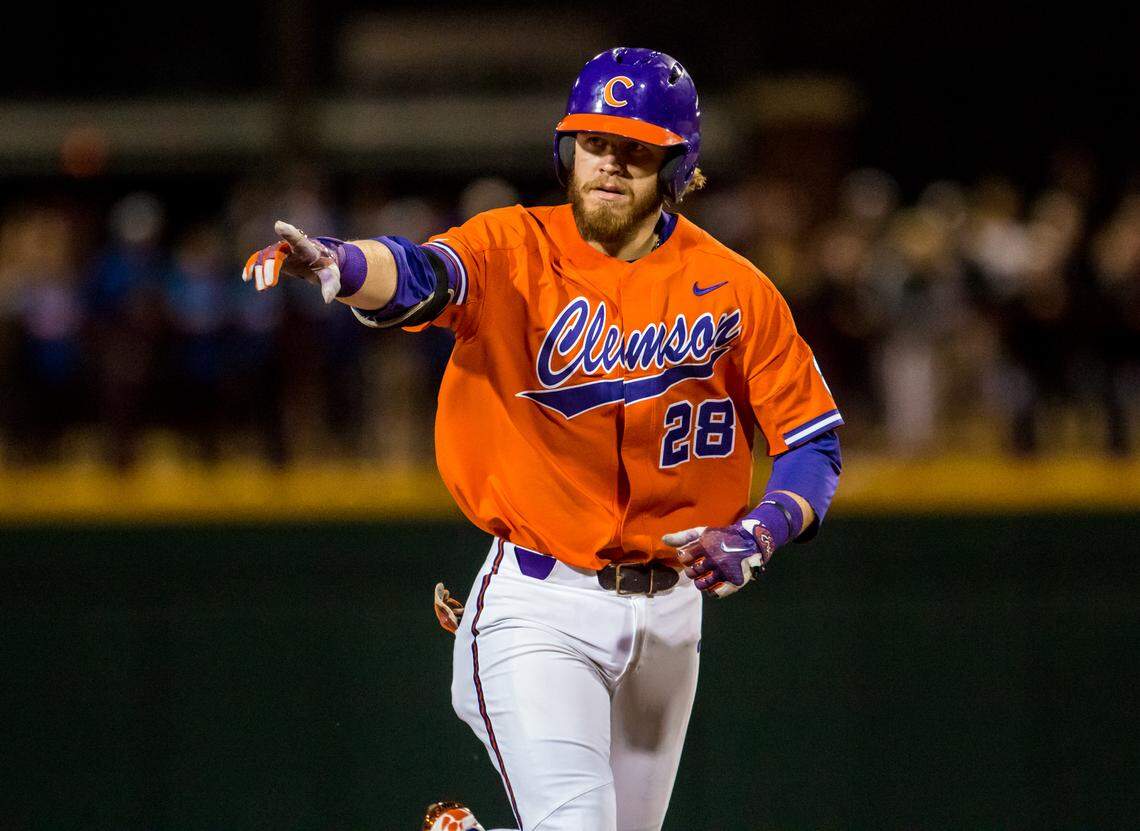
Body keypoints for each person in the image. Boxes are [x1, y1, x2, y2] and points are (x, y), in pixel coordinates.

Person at [242, 47, 843, 831]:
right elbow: (426, 275)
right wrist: (346, 264)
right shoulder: (511, 246)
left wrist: (763, 529)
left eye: (636, 150)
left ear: (679, 165)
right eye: (595, 144)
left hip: (671, 617)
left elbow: (813, 444)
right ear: (568, 149)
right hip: (540, 603)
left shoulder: (737, 288)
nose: (610, 165)